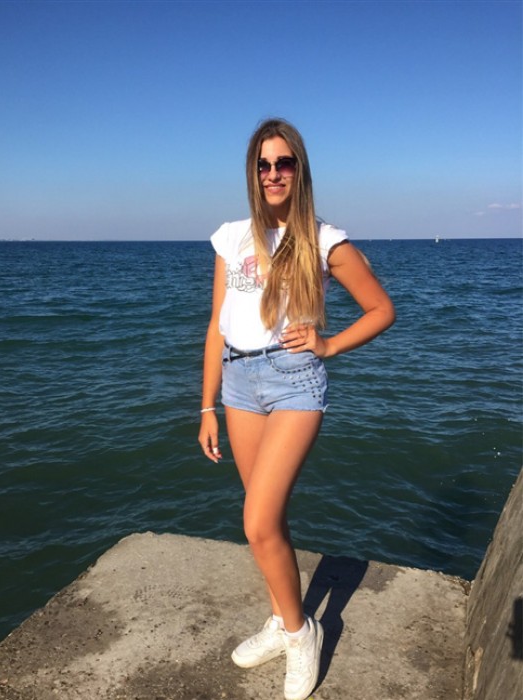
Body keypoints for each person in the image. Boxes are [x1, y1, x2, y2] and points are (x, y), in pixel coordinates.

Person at [198, 118, 395, 700]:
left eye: (283, 163)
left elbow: (381, 309)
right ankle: (282, 617)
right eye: (263, 165)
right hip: (237, 383)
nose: (273, 173)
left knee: (257, 521)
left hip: (293, 383)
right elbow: (216, 326)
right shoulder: (231, 237)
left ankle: (301, 633)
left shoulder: (324, 240)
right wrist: (206, 406)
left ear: (299, 169)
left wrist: (328, 344)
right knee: (269, 518)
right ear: (252, 174)